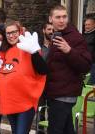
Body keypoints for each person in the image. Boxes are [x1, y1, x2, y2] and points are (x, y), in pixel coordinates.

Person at [45, 5, 92, 134]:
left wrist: (69, 51)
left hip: (64, 94)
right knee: (66, 129)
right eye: (58, 17)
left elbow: (86, 65)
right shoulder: (56, 36)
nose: (61, 20)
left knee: (55, 130)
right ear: (51, 19)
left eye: (64, 17)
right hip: (55, 93)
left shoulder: (75, 37)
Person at [0, 19, 47, 134]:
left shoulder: (28, 47)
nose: (11, 35)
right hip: (10, 102)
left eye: (14, 32)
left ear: (19, 32)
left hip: (25, 103)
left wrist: (34, 52)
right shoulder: (5, 51)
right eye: (8, 33)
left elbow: (43, 70)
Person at [83, 17, 95, 85]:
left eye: (88, 24)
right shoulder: (84, 35)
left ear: (94, 25)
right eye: (85, 25)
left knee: (90, 84)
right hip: (85, 63)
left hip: (93, 64)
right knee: (85, 83)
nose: (86, 26)